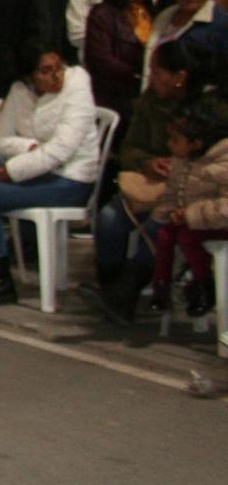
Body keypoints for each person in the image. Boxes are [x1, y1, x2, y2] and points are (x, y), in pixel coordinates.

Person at [0, 43, 98, 307]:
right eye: (45, 71)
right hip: (36, 168)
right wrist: (29, 148)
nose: (55, 76)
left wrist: (14, 170)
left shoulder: (78, 85)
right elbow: (0, 139)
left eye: (58, 68)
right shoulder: (19, 91)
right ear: (30, 76)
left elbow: (61, 150)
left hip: (70, 179)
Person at [89, 40, 198, 322]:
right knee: (109, 219)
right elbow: (129, 147)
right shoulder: (151, 100)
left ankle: (125, 294)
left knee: (155, 227)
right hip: (148, 182)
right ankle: (111, 288)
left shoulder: (204, 108)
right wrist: (147, 163)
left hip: (191, 190)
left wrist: (179, 167)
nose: (151, 78)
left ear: (179, 77)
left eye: (157, 71)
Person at [147, 94, 228, 318]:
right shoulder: (182, 161)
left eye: (175, 140)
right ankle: (161, 286)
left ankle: (204, 285)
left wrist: (191, 215)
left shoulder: (222, 162)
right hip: (193, 221)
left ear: (196, 144)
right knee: (164, 234)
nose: (169, 145)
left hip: (217, 224)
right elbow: (173, 192)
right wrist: (167, 212)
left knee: (187, 237)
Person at [82, 0, 156, 121]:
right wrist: (137, 75)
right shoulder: (104, 14)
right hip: (115, 95)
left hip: (146, 91)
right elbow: (99, 58)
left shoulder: (151, 12)